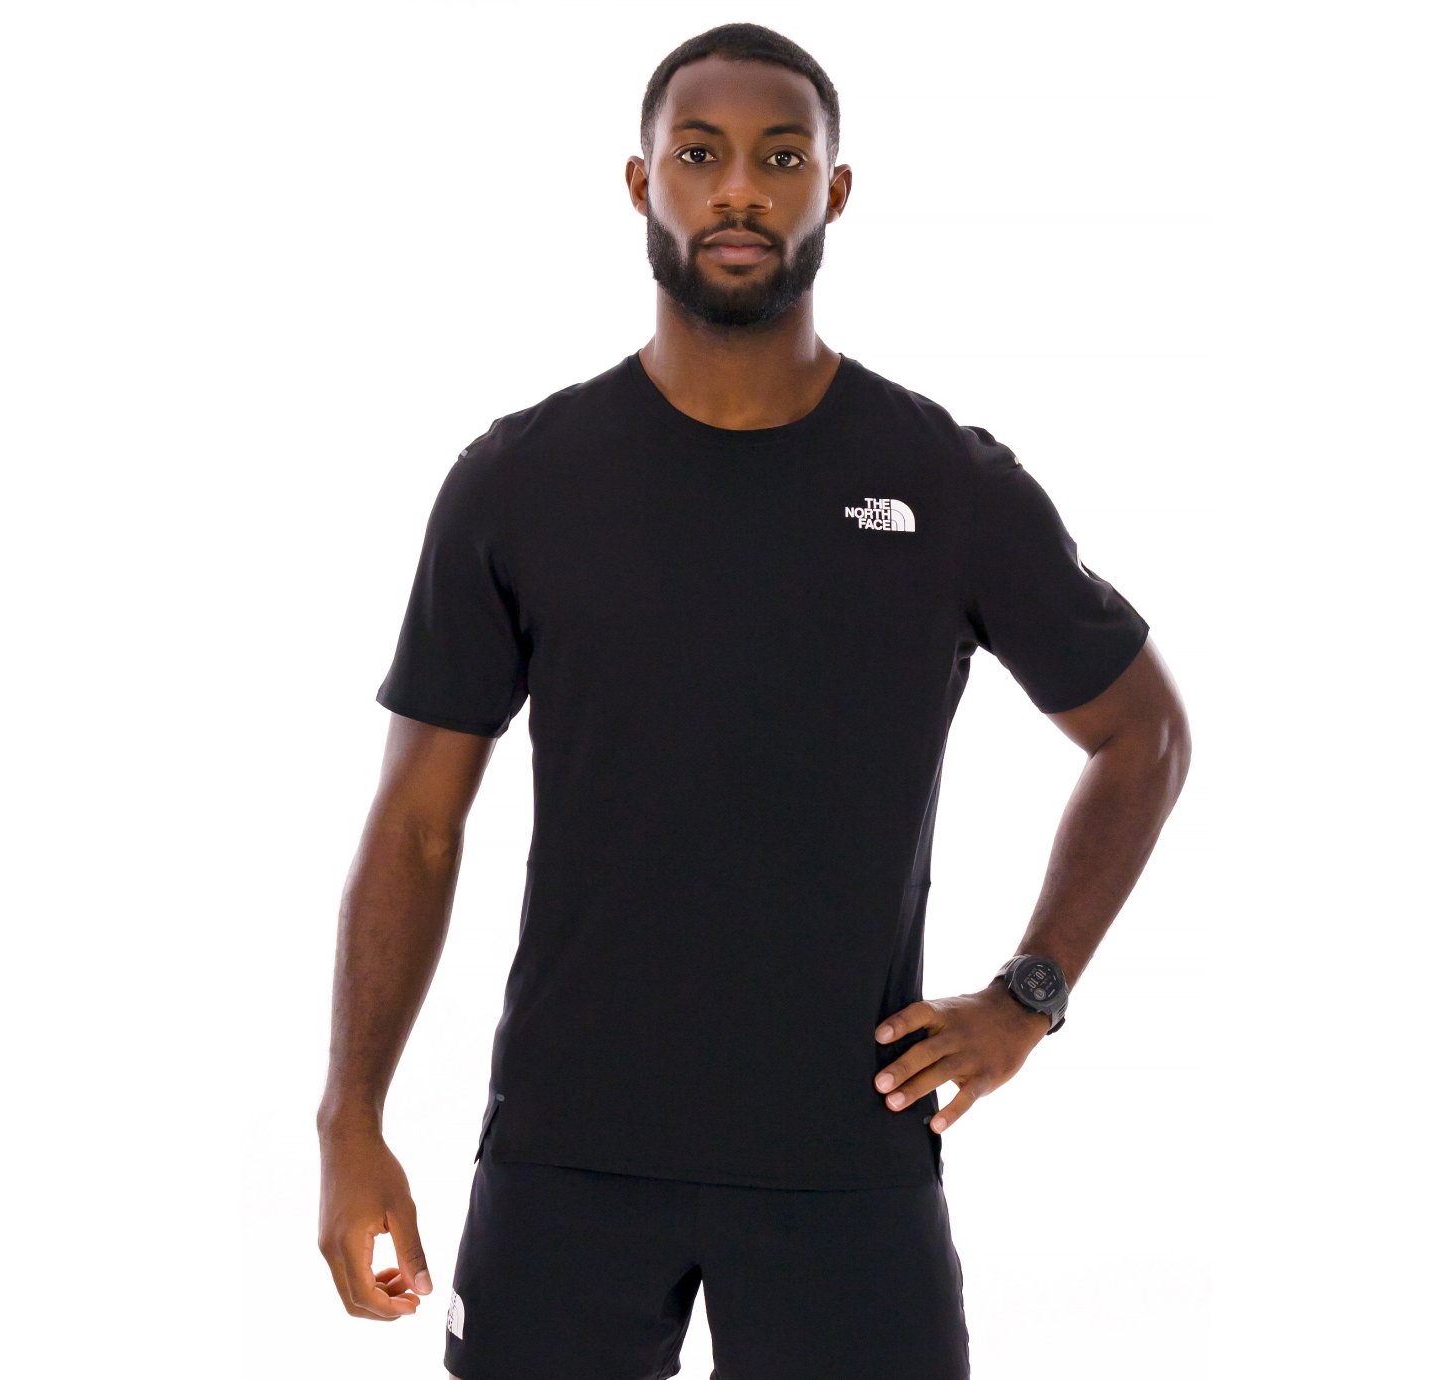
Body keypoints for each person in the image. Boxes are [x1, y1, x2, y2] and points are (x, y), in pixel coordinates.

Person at [316, 22, 1192, 1379]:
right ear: (641, 182)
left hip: (845, 1159)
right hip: (566, 1152)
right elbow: (419, 825)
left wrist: (1028, 995)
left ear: (833, 189)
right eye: (700, 154)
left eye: (781, 159)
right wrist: (351, 1121)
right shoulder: (519, 483)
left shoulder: (946, 485)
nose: (740, 189)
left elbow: (1143, 735)